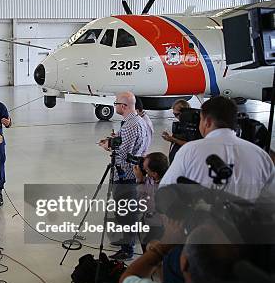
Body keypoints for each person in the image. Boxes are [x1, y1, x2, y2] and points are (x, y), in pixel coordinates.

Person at [160, 96, 274, 201]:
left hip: (202, 221)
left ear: (207, 122)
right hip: (247, 222)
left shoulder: (190, 151)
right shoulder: (261, 155)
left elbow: (165, 191)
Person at [98, 91, 150, 260]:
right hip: (130, 173)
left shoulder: (130, 125)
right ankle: (127, 241)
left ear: (124, 106)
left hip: (125, 175)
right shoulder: (136, 121)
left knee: (126, 212)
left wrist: (108, 146)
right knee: (127, 211)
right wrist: (115, 140)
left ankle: (127, 248)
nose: (114, 106)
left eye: (116, 103)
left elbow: (124, 152)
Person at [133, 152, 169, 248]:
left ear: (154, 173)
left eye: (146, 170)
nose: (144, 171)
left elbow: (142, 205)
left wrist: (140, 181)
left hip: (156, 226)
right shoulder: (159, 177)